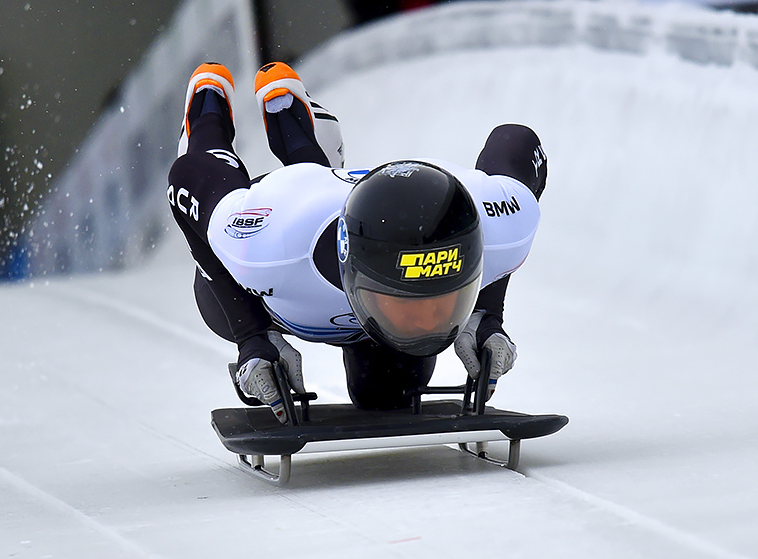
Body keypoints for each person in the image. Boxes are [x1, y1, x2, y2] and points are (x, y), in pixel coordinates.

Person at [166, 61, 547, 422]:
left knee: (390, 392)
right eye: (405, 304)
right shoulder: (267, 250)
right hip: (291, 216)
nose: (428, 323)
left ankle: (302, 136)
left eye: (445, 300)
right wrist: (250, 335)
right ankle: (211, 107)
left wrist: (484, 312)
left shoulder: (497, 225)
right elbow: (188, 174)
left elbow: (518, 141)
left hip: (327, 225)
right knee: (217, 306)